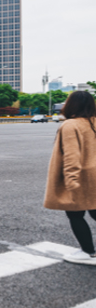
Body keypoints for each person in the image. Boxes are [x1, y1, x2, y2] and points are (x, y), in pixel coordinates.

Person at [45, 90, 96, 265]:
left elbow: (71, 155)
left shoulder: (70, 125)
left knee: (75, 214)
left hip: (82, 176)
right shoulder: (93, 122)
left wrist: (71, 180)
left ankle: (88, 252)